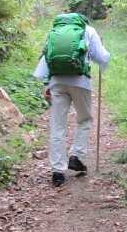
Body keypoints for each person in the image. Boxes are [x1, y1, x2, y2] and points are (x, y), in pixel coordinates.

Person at [33, 14, 110, 187]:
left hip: (57, 82)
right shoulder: (88, 30)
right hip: (80, 82)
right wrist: (102, 56)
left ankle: (57, 172)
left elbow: (46, 59)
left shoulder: (54, 32)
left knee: (57, 125)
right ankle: (76, 156)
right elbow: (102, 57)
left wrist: (47, 84)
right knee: (85, 119)